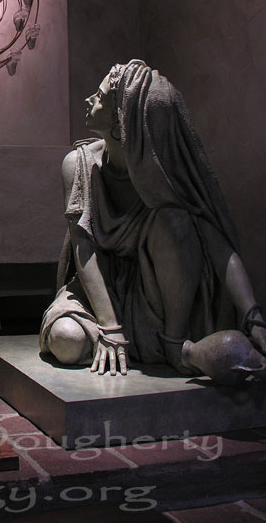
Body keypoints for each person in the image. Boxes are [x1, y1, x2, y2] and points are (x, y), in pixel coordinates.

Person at [40, 59, 266, 376]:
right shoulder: (77, 164)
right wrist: (110, 326)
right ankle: (161, 348)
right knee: (66, 340)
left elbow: (217, 246)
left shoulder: (161, 178)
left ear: (122, 124)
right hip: (99, 291)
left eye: (101, 96)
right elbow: (84, 250)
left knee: (176, 221)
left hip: (157, 294)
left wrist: (252, 314)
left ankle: (175, 344)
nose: (90, 99)